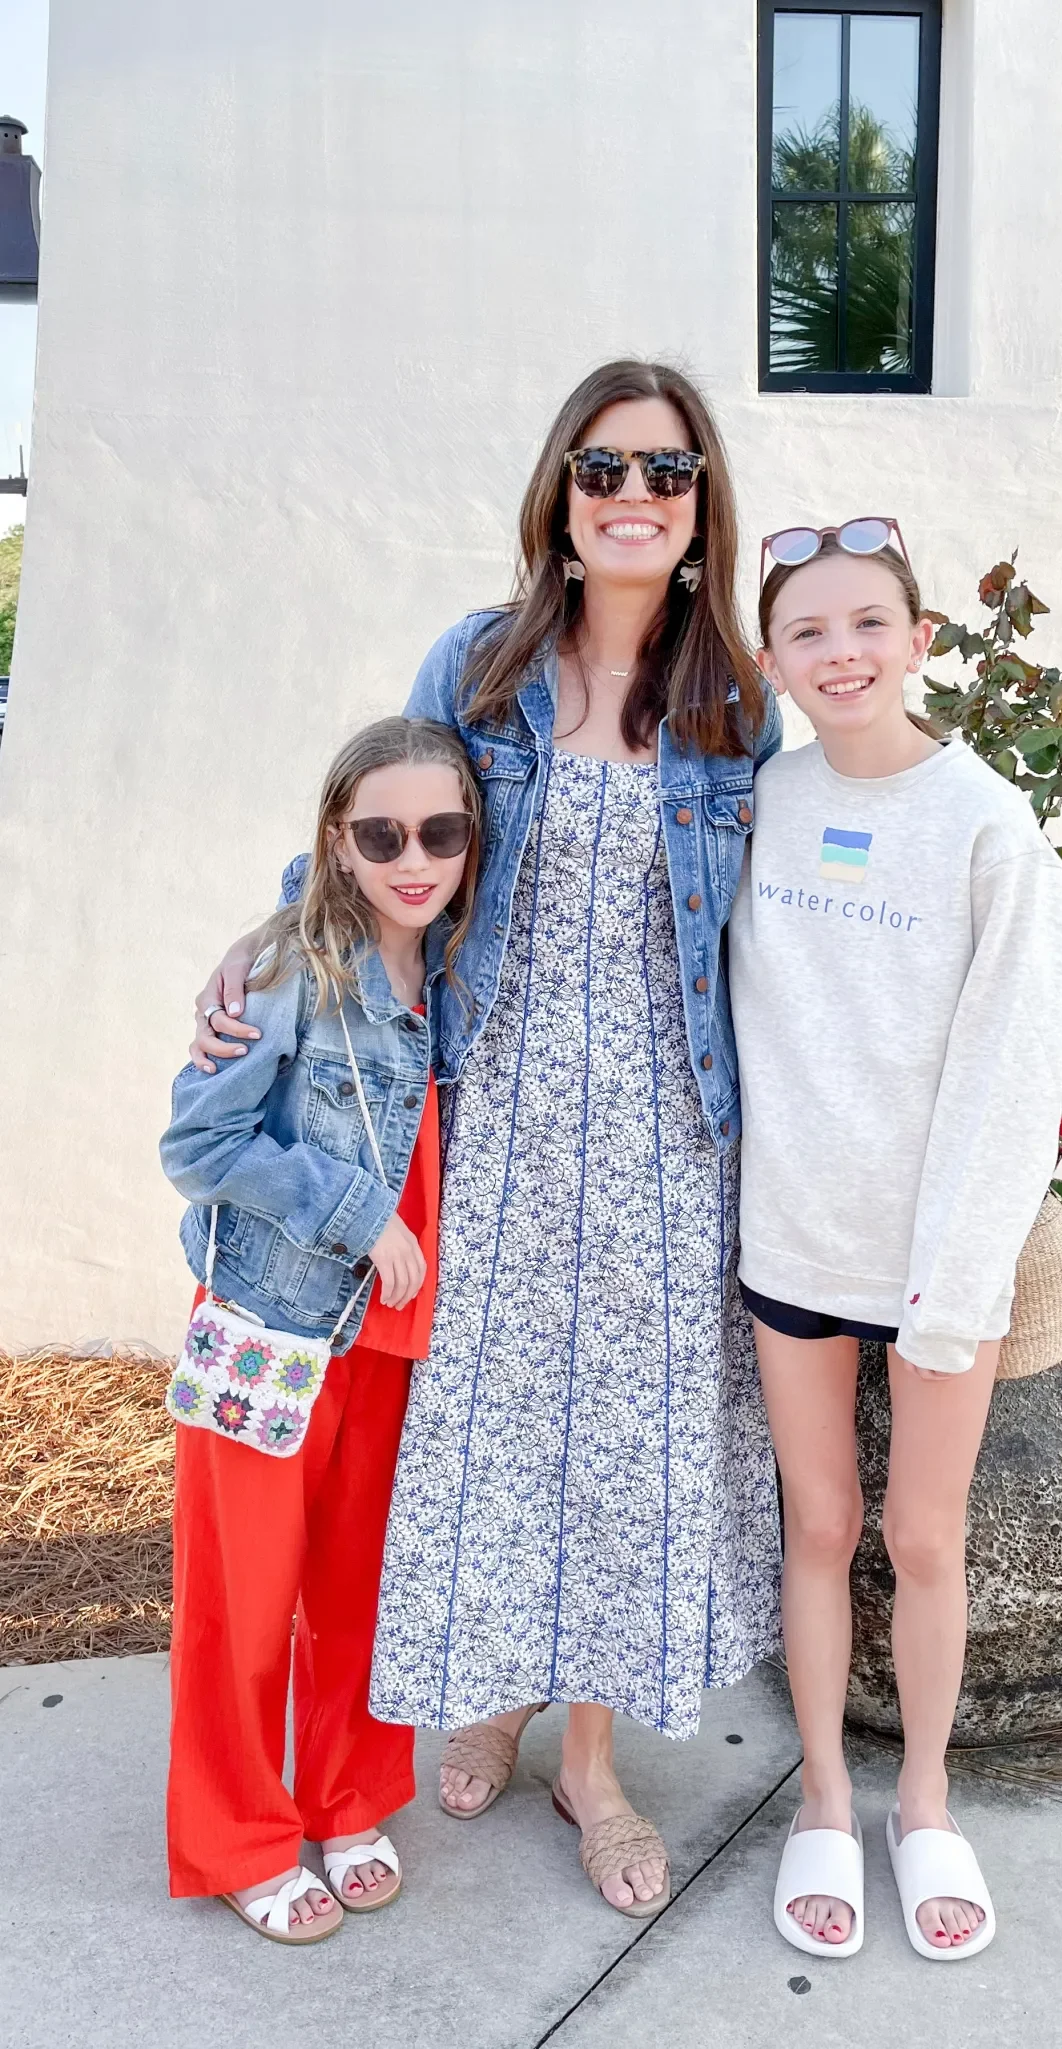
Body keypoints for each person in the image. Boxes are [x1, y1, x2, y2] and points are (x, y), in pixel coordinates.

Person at [189, 361, 784, 1919]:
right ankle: (499, 1694)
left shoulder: (734, 698)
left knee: (627, 1439)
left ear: (702, 503)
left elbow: (777, 929)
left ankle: (590, 1762)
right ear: (561, 494)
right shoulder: (481, 661)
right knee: (492, 1430)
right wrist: (265, 947)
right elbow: (376, 826)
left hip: (665, 1130)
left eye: (666, 470)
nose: (634, 495)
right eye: (604, 467)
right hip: (489, 1107)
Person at [729, 522, 1062, 1962]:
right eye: (808, 633)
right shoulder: (762, 799)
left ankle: (923, 1802)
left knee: (923, 1536)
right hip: (794, 1240)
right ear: (772, 663)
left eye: (869, 623)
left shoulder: (988, 825)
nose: (842, 653)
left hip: (940, 1256)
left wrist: (953, 1281)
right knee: (817, 1525)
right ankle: (823, 1794)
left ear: (922, 638)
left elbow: (1017, 1069)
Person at [161, 717, 481, 1945]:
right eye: (381, 836)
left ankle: (349, 1802)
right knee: (243, 1605)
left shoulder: (455, 967)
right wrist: (354, 1214)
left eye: (441, 833)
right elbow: (200, 1144)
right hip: (279, 1326)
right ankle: (240, 1839)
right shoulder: (291, 970)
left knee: (361, 1598)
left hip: (402, 1343)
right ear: (337, 841)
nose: (414, 859)